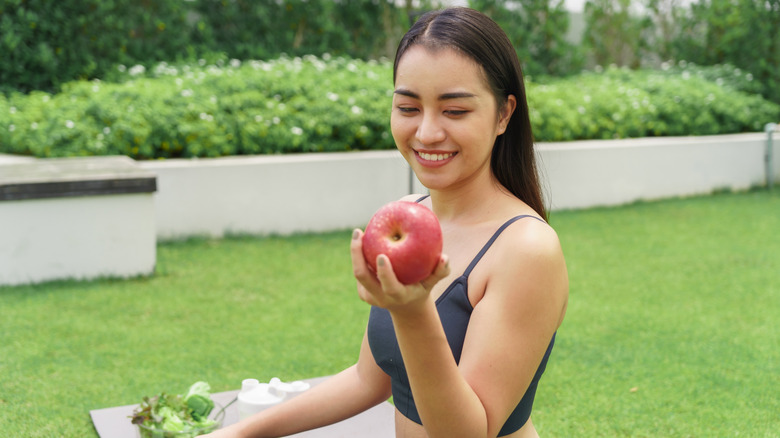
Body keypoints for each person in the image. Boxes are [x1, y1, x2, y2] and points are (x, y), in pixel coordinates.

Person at [204, 6, 568, 438]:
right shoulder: (408, 213)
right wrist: (238, 433)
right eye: (408, 107)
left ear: (504, 114)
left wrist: (412, 313)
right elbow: (368, 379)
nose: (427, 132)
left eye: (454, 111)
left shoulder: (526, 249)